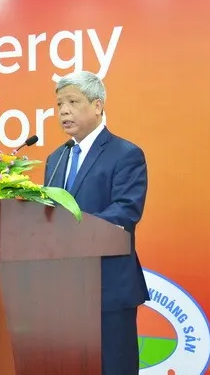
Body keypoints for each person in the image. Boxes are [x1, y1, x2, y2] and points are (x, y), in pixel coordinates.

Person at [44, 70, 149, 375]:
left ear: (97, 105)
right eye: (59, 104)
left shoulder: (126, 154)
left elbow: (126, 211)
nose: (64, 111)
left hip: (108, 286)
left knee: (114, 367)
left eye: (73, 102)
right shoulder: (56, 159)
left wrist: (70, 229)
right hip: (62, 288)